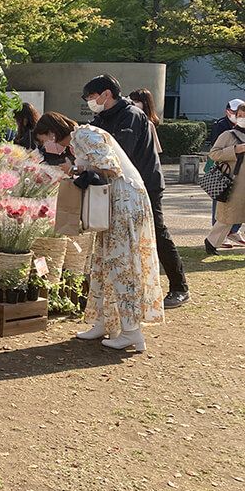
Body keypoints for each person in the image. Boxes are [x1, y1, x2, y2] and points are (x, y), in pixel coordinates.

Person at [34, 112, 164, 351]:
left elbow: (109, 166)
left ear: (52, 133)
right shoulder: (79, 139)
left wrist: (74, 167)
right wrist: (75, 168)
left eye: (44, 140)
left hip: (123, 204)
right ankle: (104, 322)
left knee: (121, 263)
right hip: (114, 205)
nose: (45, 146)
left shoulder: (85, 134)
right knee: (103, 262)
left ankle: (131, 331)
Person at [82, 75, 189, 309]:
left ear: (106, 94)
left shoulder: (131, 116)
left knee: (156, 232)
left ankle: (179, 287)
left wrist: (90, 164)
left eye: (91, 97)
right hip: (119, 186)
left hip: (144, 185)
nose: (90, 101)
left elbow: (120, 154)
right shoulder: (101, 118)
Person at [205, 103, 245, 254]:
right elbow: (214, 154)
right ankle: (212, 242)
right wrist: (235, 150)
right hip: (233, 182)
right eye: (239, 115)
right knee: (227, 216)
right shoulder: (228, 135)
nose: (242, 119)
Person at [129, 88, 162, 155]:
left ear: (146, 104)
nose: (133, 104)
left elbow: (156, 150)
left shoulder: (148, 124)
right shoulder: (128, 120)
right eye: (132, 101)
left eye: (136, 101)